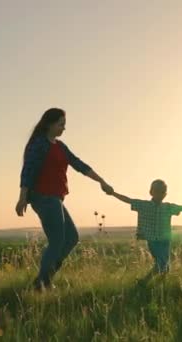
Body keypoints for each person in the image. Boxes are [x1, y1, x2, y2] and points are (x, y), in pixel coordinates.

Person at [16, 108, 113, 290]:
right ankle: (41, 283)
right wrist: (22, 197)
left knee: (71, 238)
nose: (63, 128)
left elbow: (78, 164)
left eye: (64, 125)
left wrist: (101, 181)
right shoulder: (38, 144)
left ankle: (45, 278)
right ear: (49, 124)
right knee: (57, 240)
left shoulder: (60, 146)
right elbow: (28, 170)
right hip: (43, 196)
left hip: (56, 198)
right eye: (61, 124)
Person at [105, 179, 182, 275]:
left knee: (165, 265)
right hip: (152, 240)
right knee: (160, 263)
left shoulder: (168, 207)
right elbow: (128, 200)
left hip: (165, 240)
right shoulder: (144, 205)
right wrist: (113, 193)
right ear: (151, 192)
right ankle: (145, 281)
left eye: (162, 192)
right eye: (157, 191)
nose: (159, 194)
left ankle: (157, 283)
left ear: (165, 194)